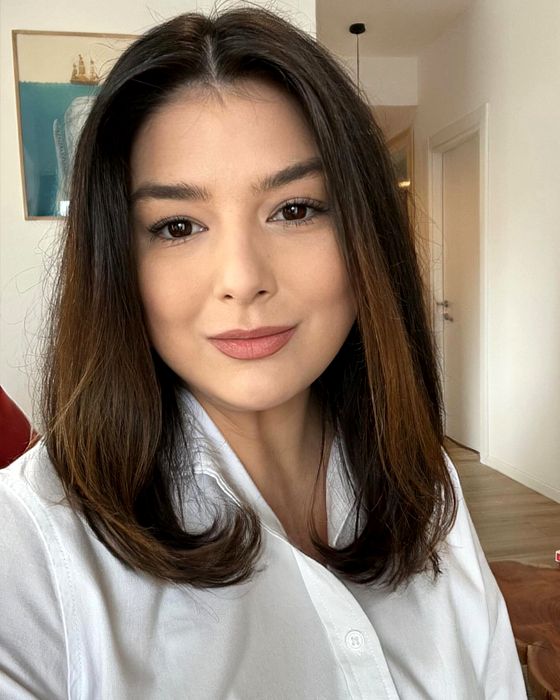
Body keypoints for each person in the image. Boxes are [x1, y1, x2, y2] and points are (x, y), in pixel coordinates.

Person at [0, 5, 526, 698]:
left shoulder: (424, 484)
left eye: (295, 210)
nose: (243, 278)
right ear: (117, 261)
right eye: (177, 225)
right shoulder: (28, 550)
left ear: (365, 233)